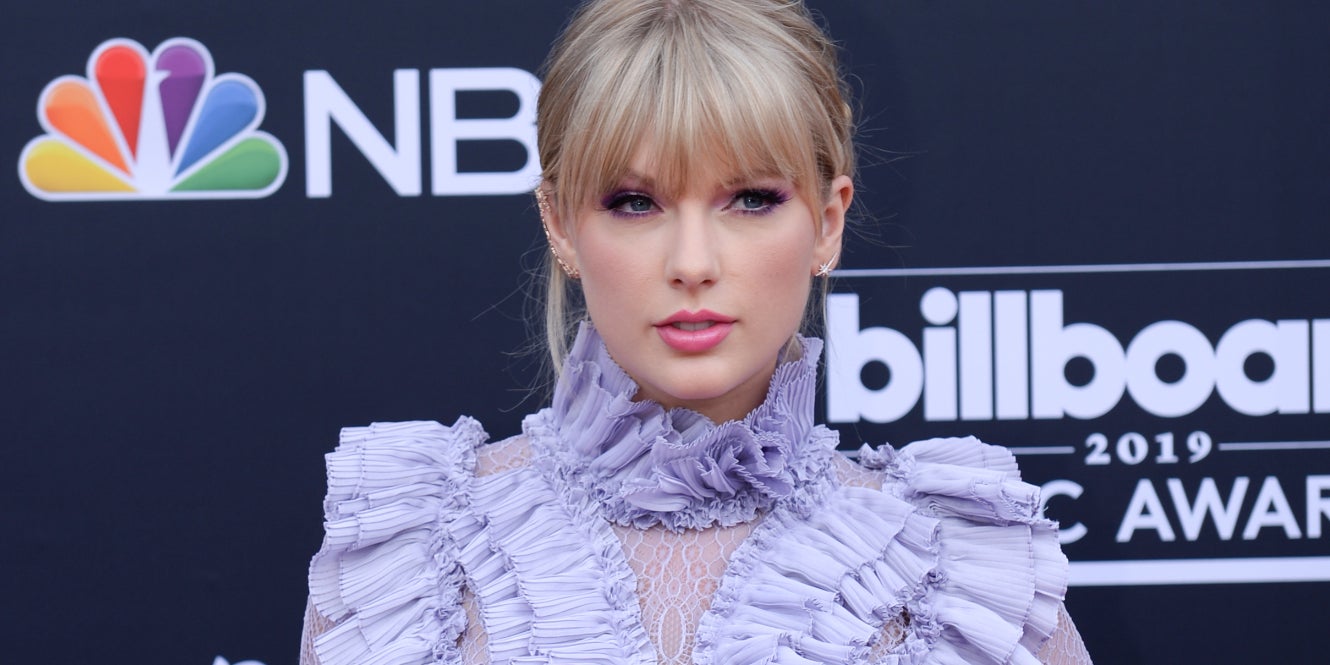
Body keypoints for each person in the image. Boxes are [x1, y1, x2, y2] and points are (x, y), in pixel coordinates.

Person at [300, 0, 1093, 663]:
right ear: (559, 222)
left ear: (827, 222)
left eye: (749, 198)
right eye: (635, 203)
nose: (692, 262)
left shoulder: (954, 572)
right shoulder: (416, 562)